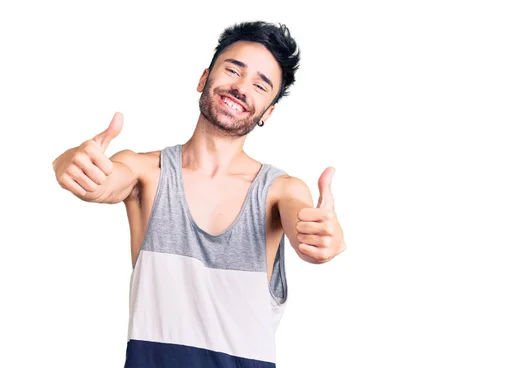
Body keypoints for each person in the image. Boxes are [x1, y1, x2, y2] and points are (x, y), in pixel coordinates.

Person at [51, 21, 346, 367]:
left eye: (260, 85)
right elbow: (106, 180)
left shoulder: (279, 191)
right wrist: (71, 164)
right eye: (233, 69)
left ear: (268, 112)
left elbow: (304, 224)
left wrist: (327, 237)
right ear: (203, 78)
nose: (240, 88)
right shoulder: (147, 172)